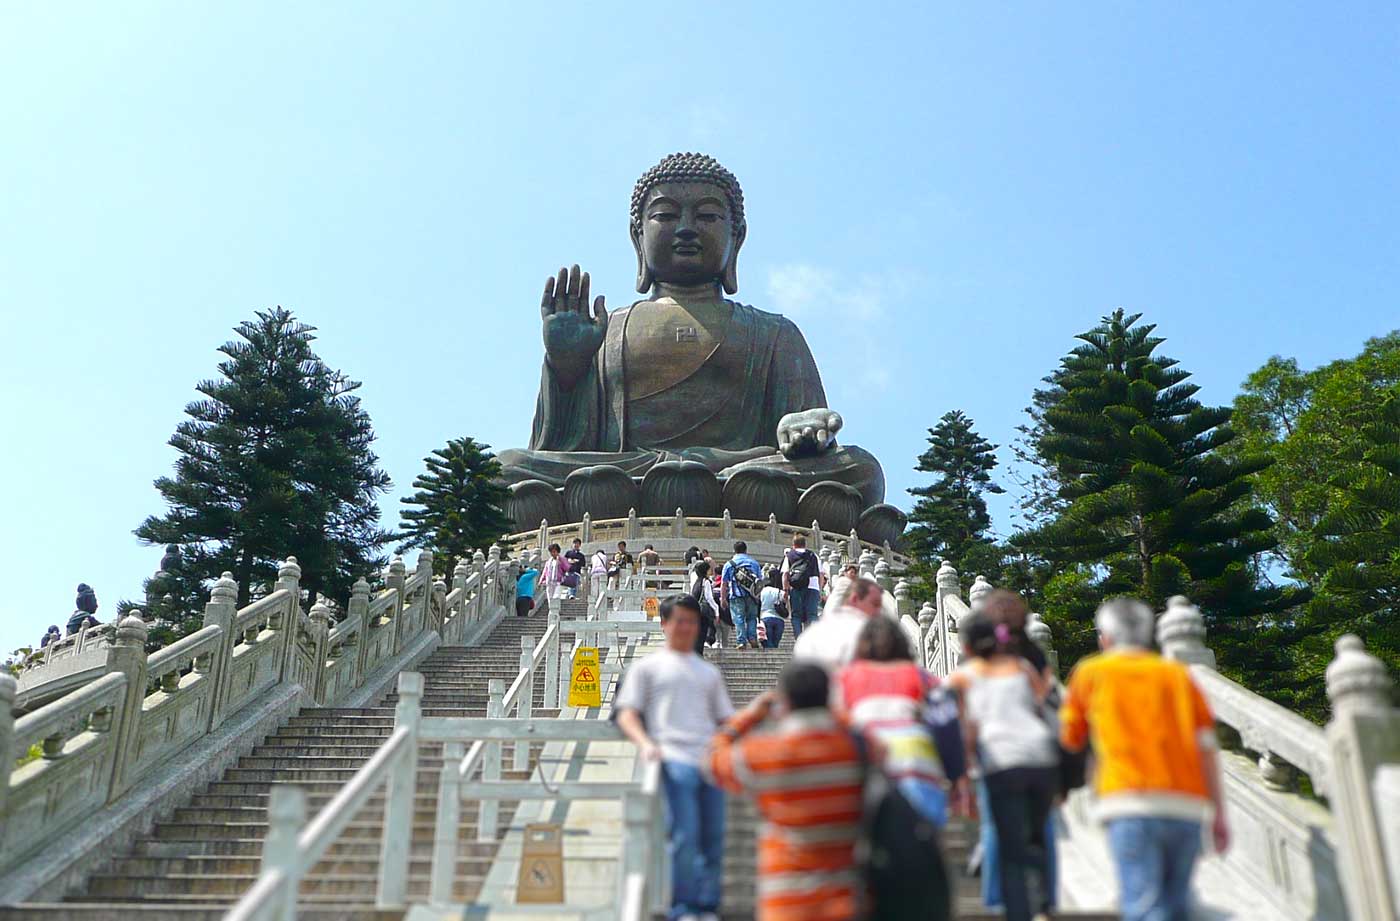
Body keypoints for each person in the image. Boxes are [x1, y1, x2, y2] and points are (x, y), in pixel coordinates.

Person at [1060, 598, 1229, 921]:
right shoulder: (1177, 675)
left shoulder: (1091, 672)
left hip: (1129, 802)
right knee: (1178, 909)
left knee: (1143, 907)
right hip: (1186, 806)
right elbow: (1207, 750)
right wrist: (1219, 814)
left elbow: (1069, 737)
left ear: (1105, 638)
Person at [707, 662, 867, 921]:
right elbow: (870, 739)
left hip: (784, 905)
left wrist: (748, 716)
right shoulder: (854, 751)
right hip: (846, 900)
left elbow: (712, 759)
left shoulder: (764, 754)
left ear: (787, 702)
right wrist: (834, 713)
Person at [615, 594, 735, 921]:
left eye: (692, 622)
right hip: (672, 757)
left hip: (710, 761)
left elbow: (727, 719)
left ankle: (707, 904)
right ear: (664, 623)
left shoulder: (708, 672)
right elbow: (627, 713)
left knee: (713, 836)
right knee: (684, 835)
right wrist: (645, 744)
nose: (685, 628)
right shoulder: (647, 668)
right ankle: (683, 907)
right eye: (679, 621)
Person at [946, 608, 1058, 921]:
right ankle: (1045, 904)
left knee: (1004, 836)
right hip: (1039, 756)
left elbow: (964, 730)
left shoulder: (964, 676)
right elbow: (1042, 707)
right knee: (1040, 833)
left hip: (1000, 760)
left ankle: (1005, 906)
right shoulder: (1021, 667)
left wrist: (963, 778)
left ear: (966, 646)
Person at [974, 591, 1060, 915]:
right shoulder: (1034, 655)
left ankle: (995, 898)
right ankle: (1047, 898)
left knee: (994, 826)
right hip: (1038, 752)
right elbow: (1045, 700)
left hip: (996, 752)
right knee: (1044, 827)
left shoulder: (981, 654)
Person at [838, 616, 949, 826]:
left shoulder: (845, 678)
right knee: (922, 835)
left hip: (865, 758)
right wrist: (957, 775)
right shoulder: (921, 676)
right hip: (915, 757)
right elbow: (946, 721)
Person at [793, 576, 885, 670]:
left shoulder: (808, 637)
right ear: (854, 599)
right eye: (875, 604)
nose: (879, 611)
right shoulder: (868, 634)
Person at [720, 540, 763, 649]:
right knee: (752, 618)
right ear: (746, 550)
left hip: (736, 595)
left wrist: (723, 598)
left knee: (738, 618)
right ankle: (752, 638)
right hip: (752, 596)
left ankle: (741, 641)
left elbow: (724, 584)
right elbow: (760, 582)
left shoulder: (729, 564)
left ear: (734, 551)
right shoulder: (754, 563)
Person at [780, 534, 825, 639]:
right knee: (812, 614)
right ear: (805, 544)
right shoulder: (813, 555)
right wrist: (820, 589)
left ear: (793, 545)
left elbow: (785, 575)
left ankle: (799, 639)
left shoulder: (790, 555)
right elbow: (821, 574)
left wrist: (785, 590)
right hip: (812, 587)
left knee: (796, 615)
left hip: (796, 587)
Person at [690, 560, 726, 650]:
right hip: (704, 612)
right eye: (709, 569)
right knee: (703, 632)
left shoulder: (696, 582)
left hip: (696, 611)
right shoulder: (705, 582)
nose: (711, 571)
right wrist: (716, 611)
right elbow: (709, 598)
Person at [758, 568, 786, 649]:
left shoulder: (762, 591)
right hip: (779, 620)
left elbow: (759, 604)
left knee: (768, 643)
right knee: (775, 644)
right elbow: (786, 605)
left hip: (765, 617)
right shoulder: (780, 592)